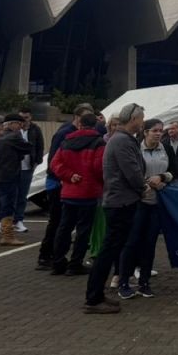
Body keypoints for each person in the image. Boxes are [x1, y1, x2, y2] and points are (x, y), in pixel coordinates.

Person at [84, 103, 154, 314]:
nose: (143, 123)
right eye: (142, 119)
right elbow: (131, 171)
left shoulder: (122, 139)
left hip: (121, 200)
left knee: (111, 249)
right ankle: (94, 298)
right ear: (133, 119)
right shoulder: (122, 141)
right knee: (109, 250)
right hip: (121, 202)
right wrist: (143, 187)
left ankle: (97, 295)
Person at [118, 118, 173, 299]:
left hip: (157, 203)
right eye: (154, 130)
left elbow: (174, 171)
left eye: (161, 131)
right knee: (132, 242)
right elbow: (131, 173)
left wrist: (162, 177)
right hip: (138, 201)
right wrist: (148, 182)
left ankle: (145, 282)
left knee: (150, 244)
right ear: (145, 132)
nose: (158, 133)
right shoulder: (136, 149)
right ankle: (123, 281)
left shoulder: (165, 149)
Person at [49, 111, 105, 276]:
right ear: (95, 125)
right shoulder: (98, 142)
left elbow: (55, 163)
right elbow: (99, 168)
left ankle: (57, 262)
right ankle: (75, 264)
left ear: (79, 124)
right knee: (83, 231)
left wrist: (68, 175)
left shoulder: (67, 141)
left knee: (64, 228)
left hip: (69, 192)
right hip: (88, 192)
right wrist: (101, 184)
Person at [0, 114, 33, 246]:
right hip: (8, 177)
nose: (20, 127)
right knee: (8, 207)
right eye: (19, 124)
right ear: (12, 124)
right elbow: (28, 147)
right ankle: (7, 236)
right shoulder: (14, 137)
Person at [14, 106, 44, 232]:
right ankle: (5, 220)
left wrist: (37, 161)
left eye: (26, 118)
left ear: (30, 117)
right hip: (13, 167)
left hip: (28, 167)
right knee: (11, 194)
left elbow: (40, 146)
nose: (24, 120)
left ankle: (19, 220)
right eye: (21, 118)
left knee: (23, 195)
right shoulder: (14, 130)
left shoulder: (35, 129)